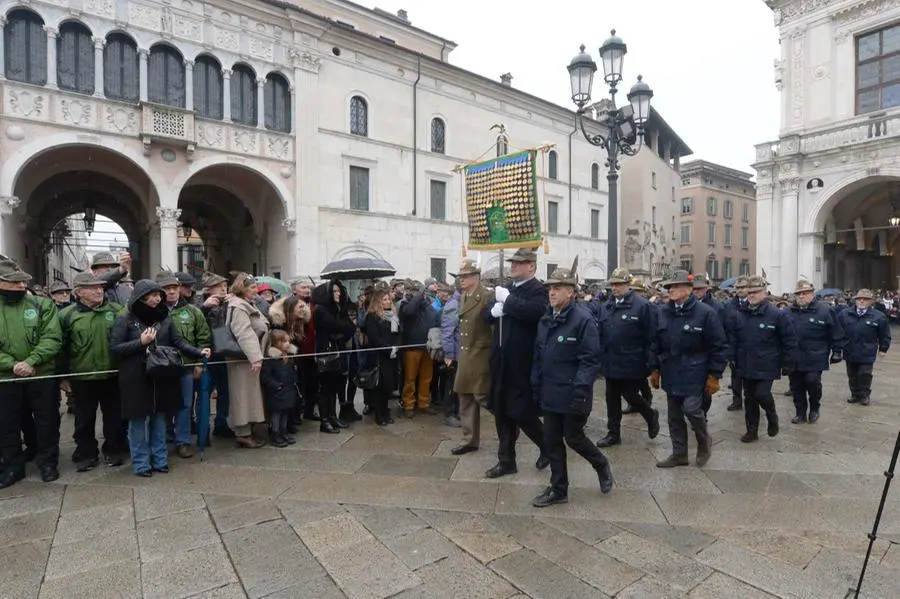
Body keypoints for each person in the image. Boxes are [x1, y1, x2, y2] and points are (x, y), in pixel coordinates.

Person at [531, 263, 612, 507]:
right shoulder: (546, 319)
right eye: (550, 288)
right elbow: (539, 355)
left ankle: (600, 463)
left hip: (573, 393)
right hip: (550, 392)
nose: (552, 292)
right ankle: (559, 489)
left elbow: (589, 361)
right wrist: (535, 383)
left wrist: (580, 391)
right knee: (552, 440)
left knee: (574, 438)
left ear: (571, 292)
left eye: (558, 288)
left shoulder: (582, 320)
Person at [110, 279, 209, 477]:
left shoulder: (165, 318)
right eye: (154, 295)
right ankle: (140, 463)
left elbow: (178, 341)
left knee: (159, 418)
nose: (158, 298)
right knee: (138, 421)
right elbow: (115, 348)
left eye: (159, 295)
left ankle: (160, 459)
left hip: (161, 373)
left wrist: (198, 352)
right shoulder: (125, 319)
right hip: (135, 376)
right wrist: (141, 342)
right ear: (141, 296)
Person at [484, 247, 549, 478]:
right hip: (501, 360)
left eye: (519, 263)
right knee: (501, 411)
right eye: (513, 262)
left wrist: (508, 302)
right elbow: (485, 315)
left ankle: (547, 446)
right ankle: (506, 460)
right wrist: (494, 310)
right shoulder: (508, 288)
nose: (513, 266)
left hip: (523, 362)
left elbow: (536, 312)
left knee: (521, 412)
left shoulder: (538, 290)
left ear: (531, 266)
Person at [651, 271, 727, 468]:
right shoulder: (663, 312)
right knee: (674, 416)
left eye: (676, 287)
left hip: (696, 371)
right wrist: (654, 368)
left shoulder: (705, 313)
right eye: (670, 287)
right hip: (671, 369)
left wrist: (714, 375)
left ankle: (704, 441)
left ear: (689, 289)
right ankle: (679, 454)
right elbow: (655, 343)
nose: (672, 291)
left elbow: (718, 346)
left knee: (692, 408)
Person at [0, 260, 62, 489]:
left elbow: (52, 337)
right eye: (15, 282)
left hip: (41, 374)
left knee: (47, 421)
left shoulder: (42, 305)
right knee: (7, 424)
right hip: (6, 378)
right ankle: (13, 467)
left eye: (23, 281)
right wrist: (12, 365)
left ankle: (48, 463)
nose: (21, 285)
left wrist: (31, 361)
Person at [59, 272, 128, 472]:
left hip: (112, 374)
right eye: (93, 288)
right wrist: (63, 376)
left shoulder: (116, 311)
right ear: (79, 292)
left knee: (114, 416)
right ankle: (86, 453)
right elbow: (60, 349)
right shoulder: (67, 315)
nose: (99, 290)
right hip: (82, 376)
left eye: (101, 287)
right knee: (83, 418)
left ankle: (113, 450)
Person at [595, 267, 661, 448]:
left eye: (618, 284)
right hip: (611, 360)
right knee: (611, 398)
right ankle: (613, 433)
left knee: (631, 395)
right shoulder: (606, 306)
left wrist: (652, 362)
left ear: (627, 285)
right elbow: (601, 332)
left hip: (633, 360)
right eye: (613, 284)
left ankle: (650, 415)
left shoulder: (642, 306)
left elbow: (652, 336)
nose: (614, 288)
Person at [728, 275, 797, 443]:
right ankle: (752, 431)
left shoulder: (776, 315)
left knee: (762, 394)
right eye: (749, 292)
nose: (752, 295)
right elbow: (733, 338)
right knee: (749, 398)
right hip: (746, 363)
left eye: (756, 292)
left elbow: (789, 339)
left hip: (767, 363)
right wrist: (731, 356)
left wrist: (788, 362)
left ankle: (772, 416)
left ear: (765, 293)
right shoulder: (740, 314)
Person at [449, 259, 492, 456]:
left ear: (475, 277)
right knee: (465, 397)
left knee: (484, 397)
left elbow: (494, 328)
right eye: (460, 277)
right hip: (467, 354)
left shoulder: (487, 295)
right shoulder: (464, 296)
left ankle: (510, 425)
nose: (461, 280)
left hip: (481, 354)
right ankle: (469, 440)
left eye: (465, 276)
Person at [786, 279, 845, 423]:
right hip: (794, 356)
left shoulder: (825, 310)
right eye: (798, 294)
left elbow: (835, 332)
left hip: (816, 355)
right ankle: (800, 412)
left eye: (805, 293)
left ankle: (814, 408)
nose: (801, 296)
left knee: (812, 382)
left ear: (812, 294)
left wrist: (837, 351)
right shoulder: (788, 312)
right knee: (796, 386)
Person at [226, 273, 270, 447]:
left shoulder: (246, 304)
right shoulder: (238, 306)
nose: (256, 290)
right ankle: (242, 434)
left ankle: (248, 429)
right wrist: (256, 358)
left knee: (248, 395)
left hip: (248, 359)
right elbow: (244, 333)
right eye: (252, 287)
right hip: (243, 360)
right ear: (242, 288)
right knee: (242, 395)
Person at [311, 280, 356, 433]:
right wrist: (342, 327)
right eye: (335, 291)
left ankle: (333, 416)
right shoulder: (321, 309)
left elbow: (350, 328)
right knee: (326, 388)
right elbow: (337, 325)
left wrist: (341, 331)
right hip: (326, 351)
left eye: (339, 291)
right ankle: (325, 420)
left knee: (336, 385)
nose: (338, 294)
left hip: (338, 348)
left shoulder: (337, 309)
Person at [839, 289, 891, 406]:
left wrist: (883, 348)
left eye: (865, 299)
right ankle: (855, 394)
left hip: (867, 349)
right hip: (850, 349)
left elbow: (884, 334)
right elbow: (838, 331)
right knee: (851, 374)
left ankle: (864, 394)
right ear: (855, 300)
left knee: (864, 374)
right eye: (859, 299)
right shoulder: (845, 314)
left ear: (870, 302)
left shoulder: (879, 316)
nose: (862, 301)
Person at [361, 289, 400, 425]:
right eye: (384, 299)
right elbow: (374, 337)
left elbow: (397, 334)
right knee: (380, 386)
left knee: (388, 386)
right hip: (379, 356)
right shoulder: (372, 317)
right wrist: (388, 348)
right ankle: (379, 414)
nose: (388, 301)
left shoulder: (394, 316)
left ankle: (385, 411)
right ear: (378, 302)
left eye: (389, 299)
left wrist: (396, 346)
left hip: (392, 355)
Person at [260, 329, 299, 447]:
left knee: (285, 412)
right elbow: (265, 376)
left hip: (288, 390)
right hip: (277, 392)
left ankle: (283, 431)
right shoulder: (271, 360)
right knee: (276, 414)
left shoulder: (290, 357)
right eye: (283, 342)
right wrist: (276, 386)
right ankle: (275, 433)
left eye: (288, 341)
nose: (287, 344)